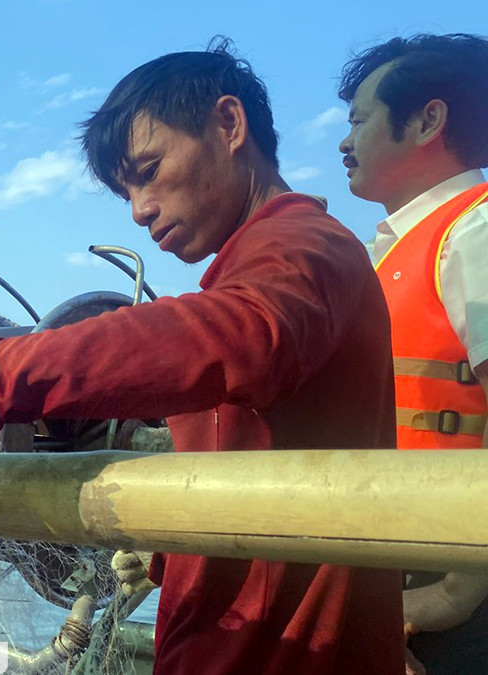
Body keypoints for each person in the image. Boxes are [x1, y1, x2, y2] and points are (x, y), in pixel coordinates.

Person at [0, 42, 404, 675]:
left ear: (230, 125)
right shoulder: (253, 272)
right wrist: (163, 550)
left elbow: (238, 338)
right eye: (126, 189)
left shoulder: (306, 249)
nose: (138, 210)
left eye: (148, 169)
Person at [337, 33, 488, 675]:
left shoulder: (473, 233)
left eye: (359, 121)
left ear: (428, 120)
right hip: (394, 556)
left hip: (455, 570)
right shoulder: (394, 252)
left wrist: (460, 586)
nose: (344, 143)